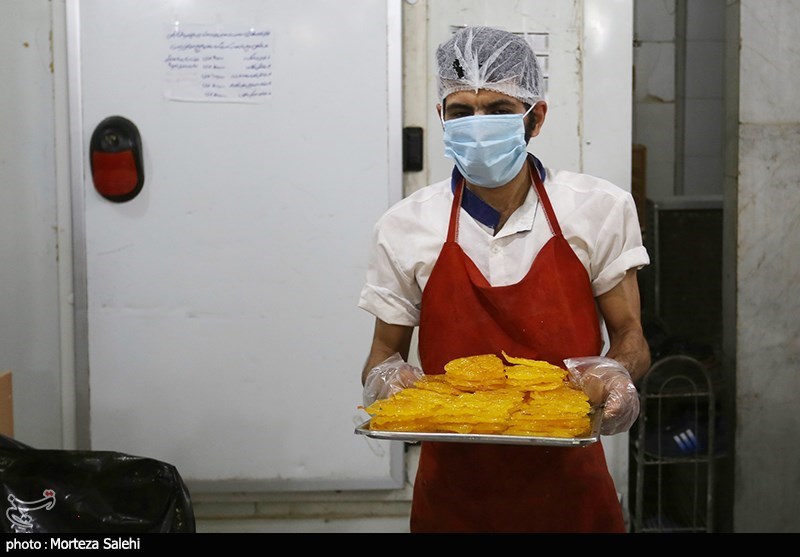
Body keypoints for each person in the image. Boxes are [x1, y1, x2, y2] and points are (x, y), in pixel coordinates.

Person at [358, 26, 651, 533]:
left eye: (498, 109)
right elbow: (383, 354)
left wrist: (616, 374)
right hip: (453, 497)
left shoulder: (598, 208)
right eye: (461, 111)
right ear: (442, 118)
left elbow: (631, 337)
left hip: (571, 492)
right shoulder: (405, 225)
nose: (478, 126)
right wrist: (389, 383)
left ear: (535, 117)